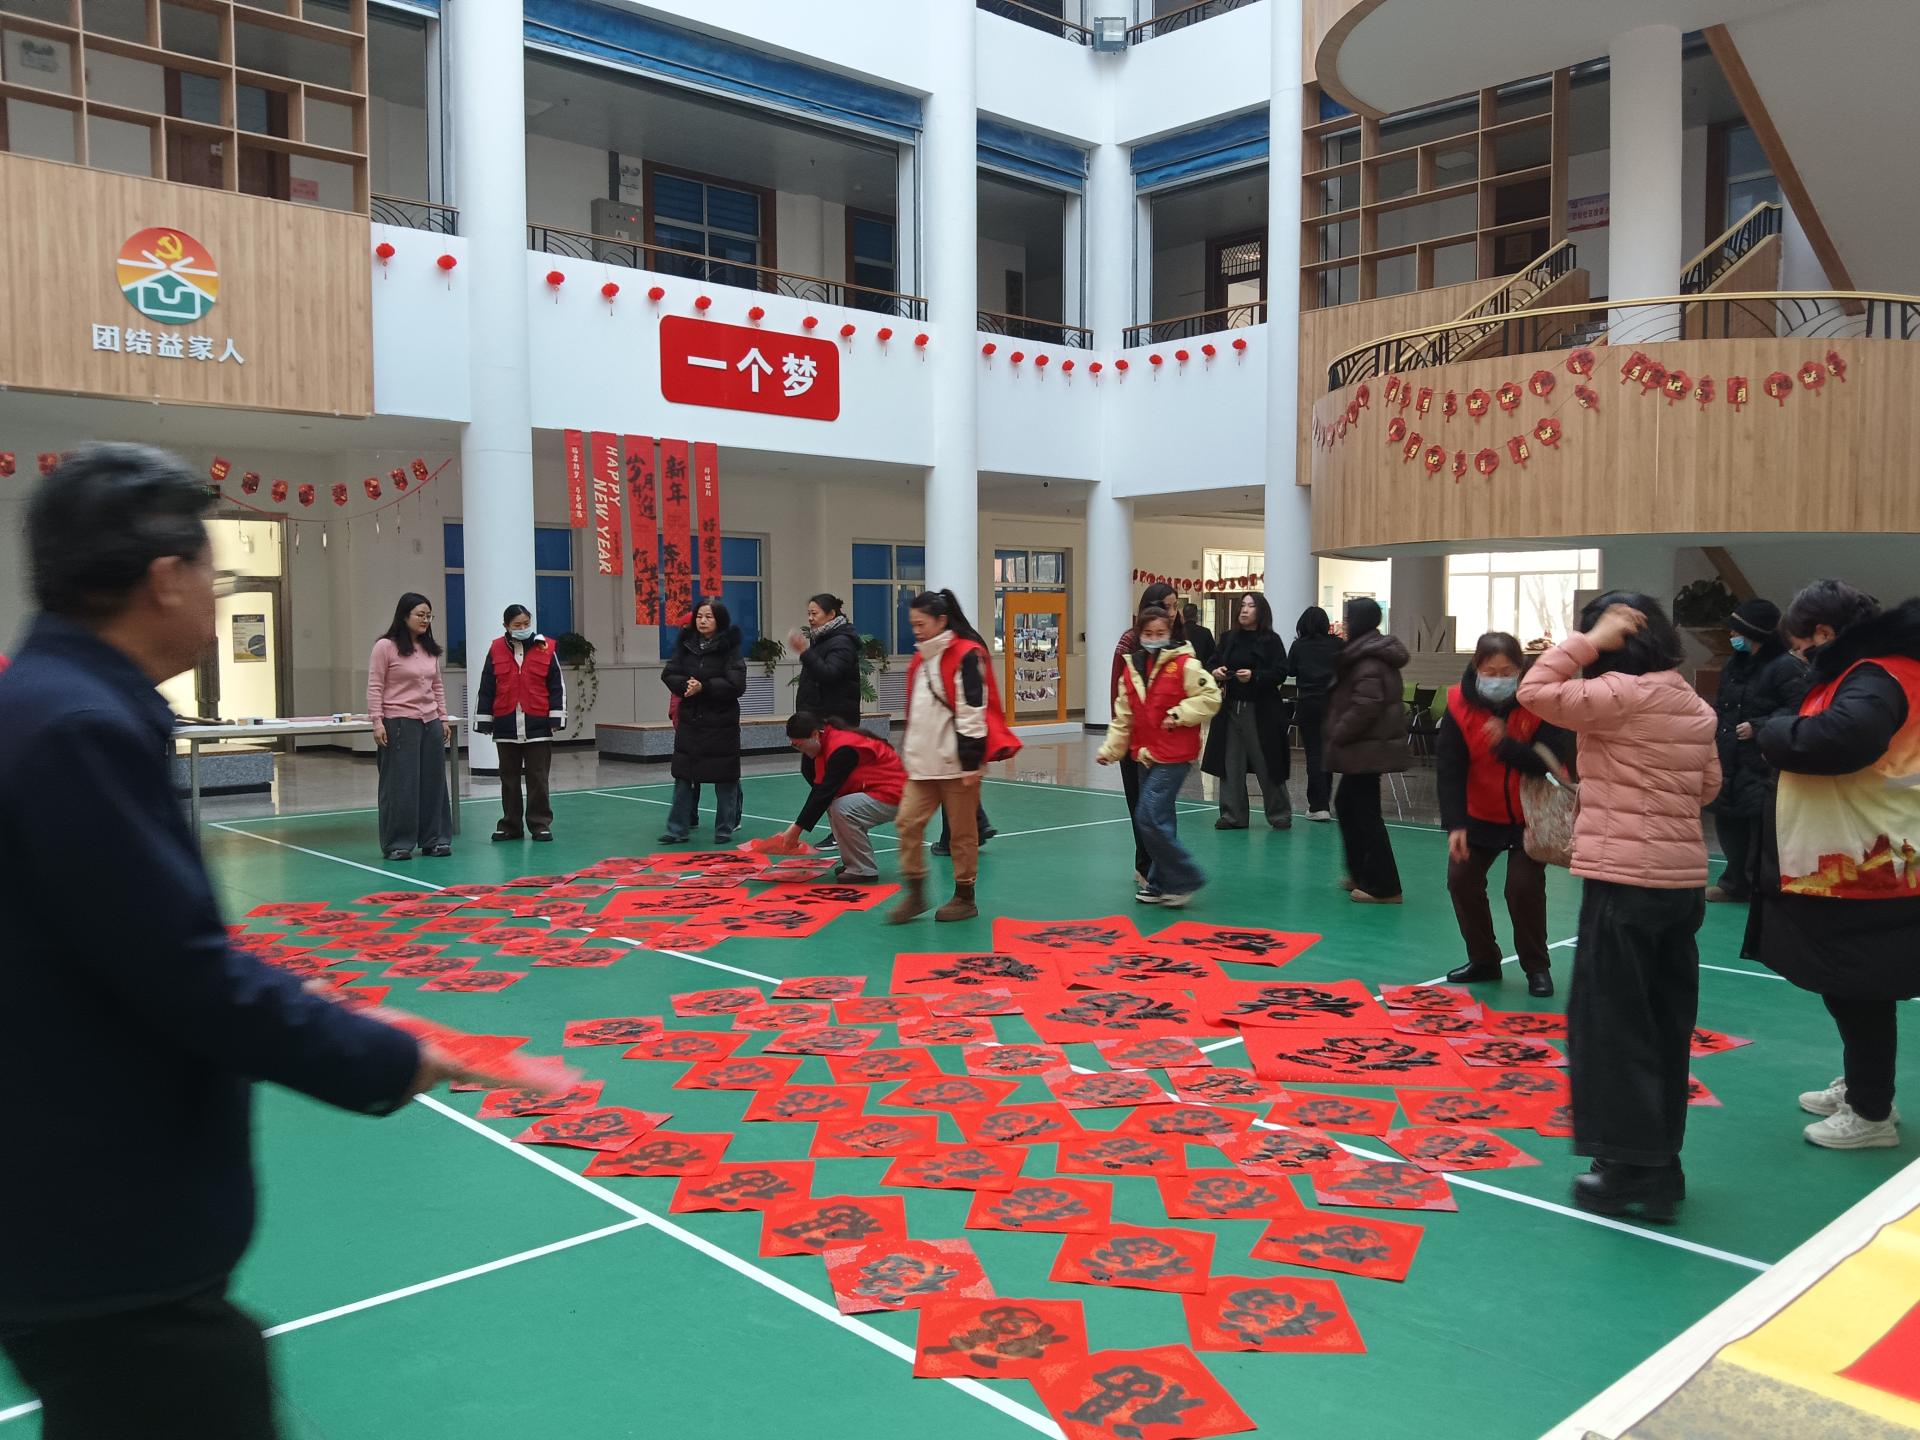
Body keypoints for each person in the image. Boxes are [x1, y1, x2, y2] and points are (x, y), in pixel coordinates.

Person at [0, 444, 495, 1438]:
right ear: (164, 579)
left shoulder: (52, 704)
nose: (215, 596)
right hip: (98, 1221)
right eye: (211, 573)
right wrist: (382, 1054)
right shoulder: (74, 728)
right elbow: (181, 973)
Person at [1519, 595, 1719, 1220]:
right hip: (1680, 884)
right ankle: (1661, 1163)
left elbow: (1534, 691)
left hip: (1625, 880)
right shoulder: (1692, 701)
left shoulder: (1621, 694)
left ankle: (1632, 1170)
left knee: (1613, 1027)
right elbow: (1708, 786)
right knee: (1663, 1025)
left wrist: (1588, 641)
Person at [1755, 582, 1920, 1151]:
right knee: (1853, 987)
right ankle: (1863, 1086)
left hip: (1871, 860)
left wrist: (1775, 731)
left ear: (1823, 634)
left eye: (1799, 646)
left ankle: (1871, 1112)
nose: (1798, 658)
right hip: (1866, 853)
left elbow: (1844, 737)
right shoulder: (1877, 671)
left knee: (1859, 988)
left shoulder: (1875, 676)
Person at [1438, 632, 1574, 998]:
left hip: (1531, 816)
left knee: (1522, 888)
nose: (1498, 679)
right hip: (1479, 813)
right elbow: (1449, 769)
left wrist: (1505, 745)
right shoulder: (1457, 704)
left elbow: (1549, 761)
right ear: (1476, 667)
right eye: (1490, 671)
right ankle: (1484, 959)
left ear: (1521, 669)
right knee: (1461, 880)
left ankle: (1537, 967)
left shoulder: (1540, 702)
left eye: (1507, 672)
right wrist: (1456, 824)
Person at [888, 589, 1020, 924]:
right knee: (907, 822)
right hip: (923, 764)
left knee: (962, 834)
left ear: (941, 620)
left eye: (921, 624)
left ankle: (964, 896)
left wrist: (971, 762)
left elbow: (972, 711)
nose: (916, 630)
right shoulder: (920, 660)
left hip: (958, 764)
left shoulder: (966, 655)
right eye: (913, 624)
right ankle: (915, 892)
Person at [1098, 605, 1222, 906]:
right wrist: (1111, 749)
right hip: (1146, 755)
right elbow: (1124, 717)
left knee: (1148, 815)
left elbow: (1210, 697)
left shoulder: (1185, 664)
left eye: (1160, 633)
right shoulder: (1132, 670)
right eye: (1148, 633)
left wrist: (1179, 714)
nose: (1154, 638)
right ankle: (1160, 883)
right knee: (1159, 820)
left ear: (1170, 632)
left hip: (1174, 756)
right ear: (1139, 634)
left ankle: (1185, 877)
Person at [1706, 599, 1801, 903]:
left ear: (1754, 632)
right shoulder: (1735, 663)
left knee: (1758, 828)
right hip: (1729, 757)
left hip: (1760, 760)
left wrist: (1759, 727)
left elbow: (1798, 707)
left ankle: (1759, 888)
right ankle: (1733, 883)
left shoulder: (1785, 667)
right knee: (1728, 821)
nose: (1731, 635)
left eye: (1737, 630)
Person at [1324, 597, 1410, 903]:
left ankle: (1385, 886)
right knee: (1348, 805)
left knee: (1365, 814)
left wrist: (1339, 731)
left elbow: (1366, 705)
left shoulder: (1369, 659)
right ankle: (1361, 873)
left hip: (1366, 748)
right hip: (1365, 748)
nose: (1345, 625)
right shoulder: (1365, 653)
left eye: (1349, 619)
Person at [367, 591, 453, 861]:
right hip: (399, 722)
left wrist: (443, 718)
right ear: (404, 616)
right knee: (400, 785)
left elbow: (437, 686)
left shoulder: (430, 649)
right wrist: (377, 721)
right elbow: (375, 685)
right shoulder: (385, 647)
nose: (425, 620)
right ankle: (398, 843)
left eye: (429, 616)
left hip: (430, 722)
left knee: (434, 783)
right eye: (420, 615)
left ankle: (434, 839)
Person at [774, 712, 906, 881]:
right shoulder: (825, 744)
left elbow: (825, 792)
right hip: (880, 791)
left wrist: (796, 829)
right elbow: (820, 790)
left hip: (896, 794)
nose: (800, 751)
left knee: (842, 808)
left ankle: (862, 869)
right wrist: (797, 826)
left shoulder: (841, 747)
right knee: (835, 804)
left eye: (799, 745)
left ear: (814, 735)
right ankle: (854, 863)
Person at [474, 603, 565, 844]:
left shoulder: (546, 647)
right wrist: (484, 719)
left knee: (538, 778)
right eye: (517, 625)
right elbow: (487, 686)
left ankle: (540, 824)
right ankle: (510, 825)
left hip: (538, 723)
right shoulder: (495, 649)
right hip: (506, 723)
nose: (523, 628)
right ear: (506, 626)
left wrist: (557, 718)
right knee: (509, 778)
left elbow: (557, 686)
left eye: (526, 623)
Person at [1113, 582, 1184, 886]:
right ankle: (1146, 867)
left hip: (1168, 744)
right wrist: (1120, 738)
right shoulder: (1130, 642)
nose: (1173, 612)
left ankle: (1165, 871)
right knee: (1141, 808)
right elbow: (1119, 694)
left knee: (1160, 810)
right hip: (1136, 742)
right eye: (1167, 605)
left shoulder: (1179, 644)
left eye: (1176, 606)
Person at [1201, 591, 1292, 831]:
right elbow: (1212, 662)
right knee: (1231, 763)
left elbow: (1280, 672)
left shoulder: (1271, 641)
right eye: (1242, 605)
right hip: (1231, 709)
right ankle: (1233, 815)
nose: (1244, 610)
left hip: (1261, 711)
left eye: (1250, 606)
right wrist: (1216, 672)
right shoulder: (1228, 638)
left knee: (1266, 762)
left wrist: (1255, 676)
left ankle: (1279, 814)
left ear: (1261, 611)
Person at [660, 599, 746, 844]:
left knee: (725, 779)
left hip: (721, 723)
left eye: (708, 617)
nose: (703, 621)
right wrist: (685, 685)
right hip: (691, 721)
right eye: (699, 617)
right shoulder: (686, 645)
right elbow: (669, 673)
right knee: (683, 777)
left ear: (719, 620)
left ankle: (724, 828)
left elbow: (737, 685)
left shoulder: (730, 649)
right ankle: (677, 829)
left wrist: (704, 687)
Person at [1289, 605, 1341, 821]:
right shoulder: (1337, 644)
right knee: (1327, 753)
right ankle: (1325, 801)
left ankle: (1318, 805)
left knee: (1314, 753)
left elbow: (1290, 670)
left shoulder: (1299, 646)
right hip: (1333, 705)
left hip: (1308, 703)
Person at [790, 592, 862, 725]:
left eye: (814, 614)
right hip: (819, 716)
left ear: (831, 614)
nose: (810, 618)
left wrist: (805, 652)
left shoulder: (842, 642)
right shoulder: (821, 639)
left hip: (834, 720)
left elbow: (829, 673)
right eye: (809, 614)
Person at [1182, 602, 1217, 671]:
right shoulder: (1205, 632)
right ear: (1196, 616)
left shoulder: (1178, 632)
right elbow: (1213, 654)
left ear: (1183, 617)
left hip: (1182, 669)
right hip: (1201, 670)